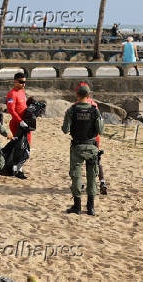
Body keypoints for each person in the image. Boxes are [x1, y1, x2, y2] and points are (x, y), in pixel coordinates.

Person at [62, 85, 104, 215]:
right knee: (92, 177)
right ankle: (90, 207)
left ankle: (77, 206)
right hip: (92, 146)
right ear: (89, 96)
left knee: (76, 176)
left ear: (77, 95)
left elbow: (65, 130)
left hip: (77, 147)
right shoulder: (95, 110)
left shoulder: (72, 110)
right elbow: (101, 130)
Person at [74, 82, 108, 195]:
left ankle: (81, 184)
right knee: (96, 161)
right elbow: (100, 126)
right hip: (94, 139)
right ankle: (102, 182)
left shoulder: (76, 106)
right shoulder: (94, 105)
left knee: (78, 162)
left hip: (80, 140)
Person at [7, 72, 30, 179]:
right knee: (19, 147)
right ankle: (18, 170)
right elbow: (11, 110)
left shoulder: (22, 91)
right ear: (15, 81)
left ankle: (17, 168)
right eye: (21, 82)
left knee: (26, 146)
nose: (23, 84)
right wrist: (20, 121)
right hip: (17, 124)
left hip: (25, 124)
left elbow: (23, 106)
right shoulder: (12, 94)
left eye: (24, 82)